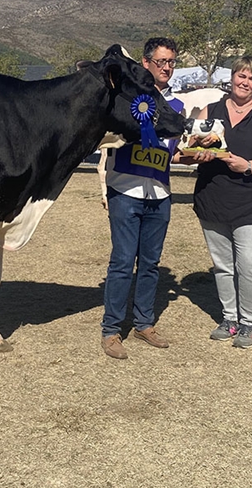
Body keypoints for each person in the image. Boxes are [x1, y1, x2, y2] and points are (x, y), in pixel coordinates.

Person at [182, 55, 252, 348]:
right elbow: (183, 152)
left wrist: (249, 166)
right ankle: (229, 318)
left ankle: (249, 323)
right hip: (213, 198)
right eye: (241, 75)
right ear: (232, 78)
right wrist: (196, 154)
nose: (245, 82)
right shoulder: (210, 111)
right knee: (223, 265)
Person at [99, 37, 184, 359]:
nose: (166, 68)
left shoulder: (177, 106)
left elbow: (172, 153)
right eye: (161, 62)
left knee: (150, 263)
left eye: (171, 62)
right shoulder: (128, 98)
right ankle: (111, 330)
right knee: (122, 262)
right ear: (146, 63)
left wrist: (192, 155)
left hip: (160, 195)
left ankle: (144, 323)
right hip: (126, 191)